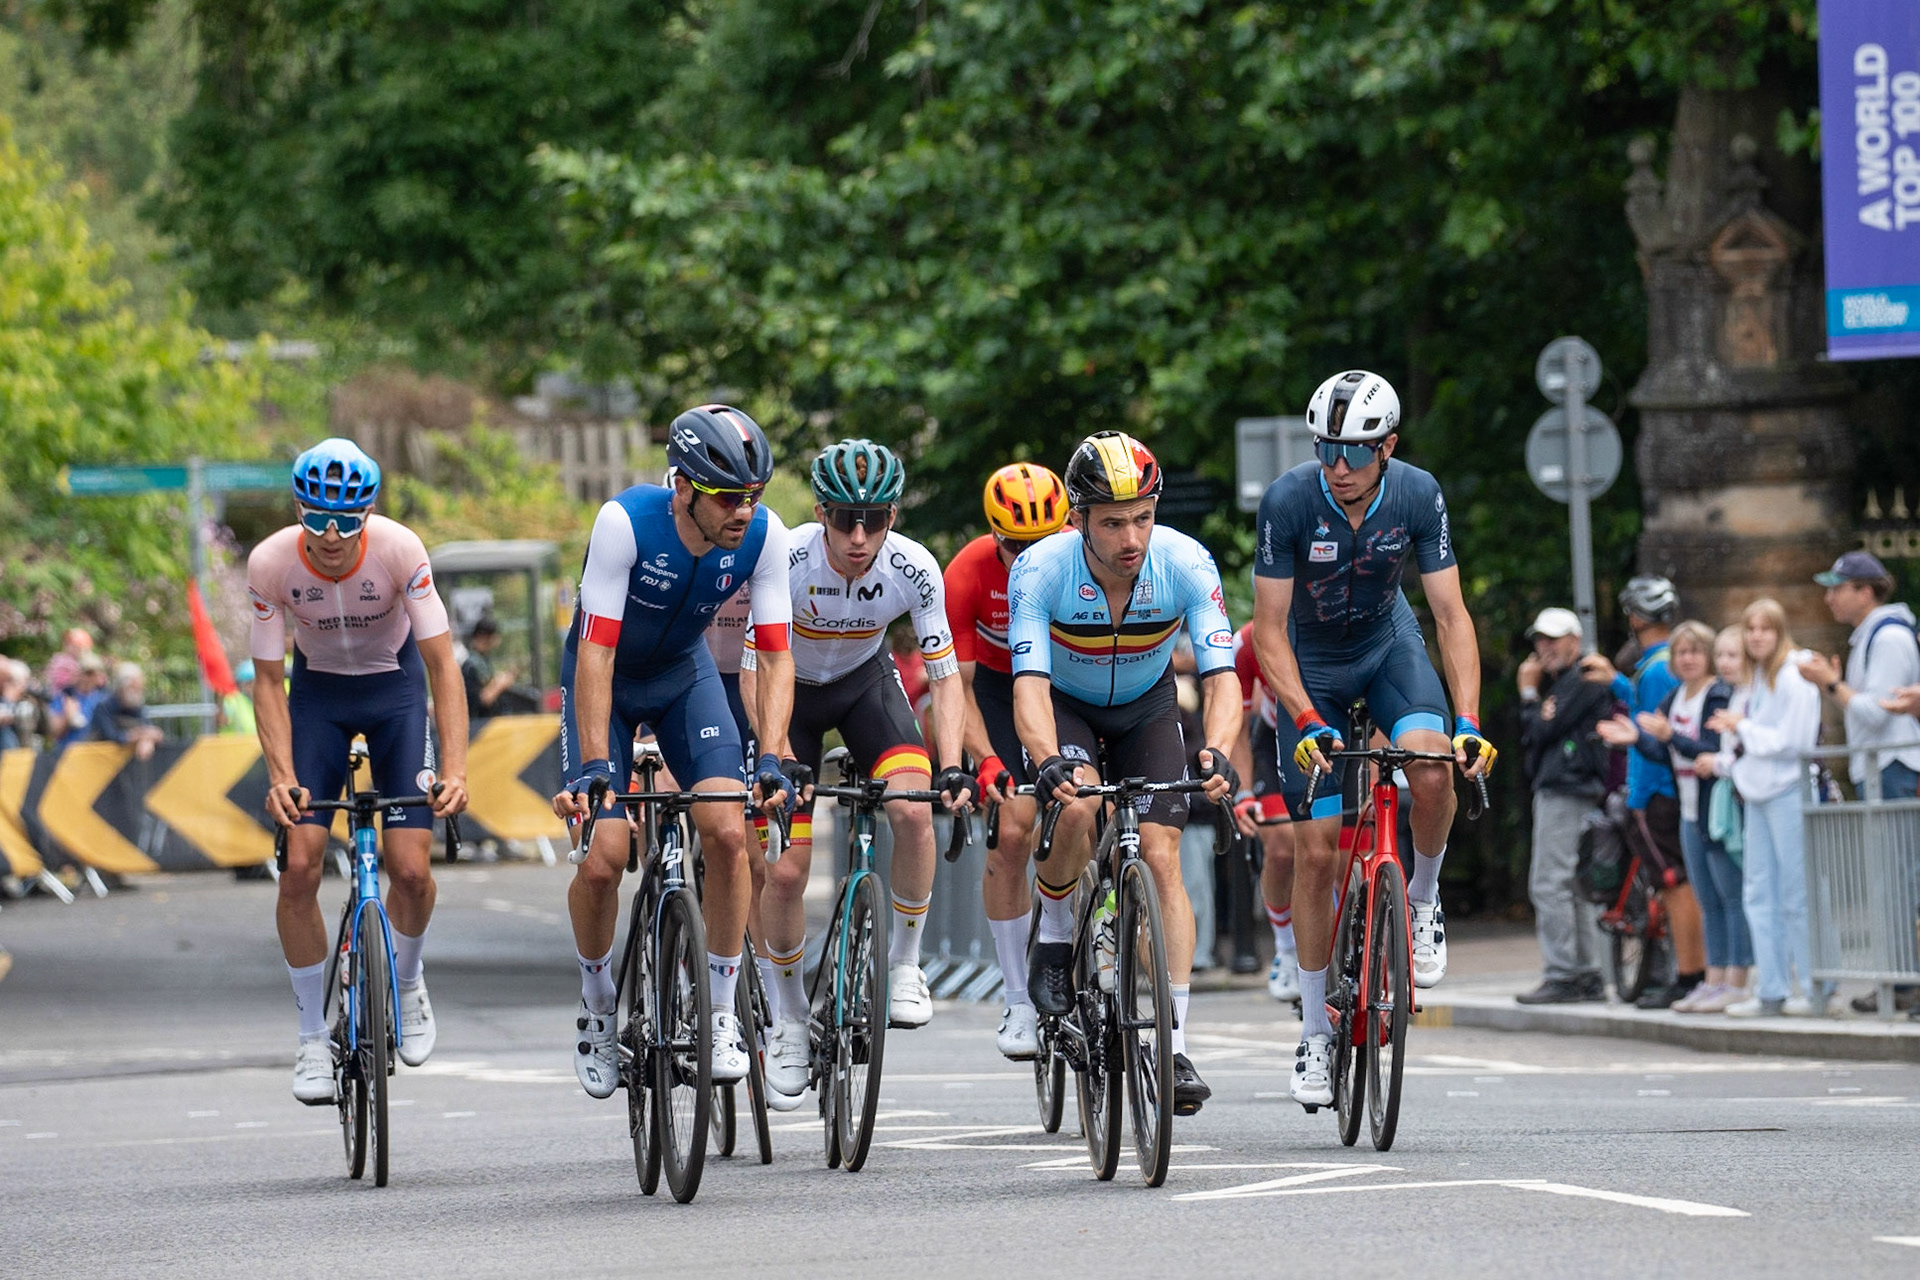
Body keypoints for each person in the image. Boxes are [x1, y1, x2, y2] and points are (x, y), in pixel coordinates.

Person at [1249, 370, 1493, 1109]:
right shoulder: (1289, 499)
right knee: (1317, 850)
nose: (1339, 467)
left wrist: (1470, 721)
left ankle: (1420, 899)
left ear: (1388, 446)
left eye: (1355, 452)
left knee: (1430, 772)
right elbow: (1266, 628)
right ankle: (1316, 1037)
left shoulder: (1418, 493)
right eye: (1327, 449)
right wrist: (1301, 715)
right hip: (1312, 665)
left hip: (1389, 647)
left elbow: (1450, 617)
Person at [553, 404, 797, 1099]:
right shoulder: (626, 523)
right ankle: (598, 1004)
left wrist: (773, 753)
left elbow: (777, 657)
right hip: (607, 681)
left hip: (685, 678)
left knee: (726, 830)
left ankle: (719, 1013)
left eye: (752, 495)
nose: (742, 510)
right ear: (684, 487)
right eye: (727, 496)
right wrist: (600, 767)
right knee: (602, 859)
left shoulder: (762, 536)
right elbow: (596, 651)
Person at [1010, 430, 1241, 1116]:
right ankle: (1054, 936)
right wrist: (1047, 756)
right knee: (1078, 808)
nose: (1132, 535)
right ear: (1076, 518)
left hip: (1147, 707)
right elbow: (1027, 687)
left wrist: (1220, 748)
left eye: (1143, 516)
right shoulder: (1041, 569)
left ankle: (1171, 1043)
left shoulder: (1188, 563)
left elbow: (1223, 676)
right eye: (1112, 522)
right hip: (1068, 706)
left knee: (1164, 858)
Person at [749, 438, 977, 1105]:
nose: (857, 535)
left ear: (893, 517)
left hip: (863, 685)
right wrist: (776, 752)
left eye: (873, 520)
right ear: (819, 512)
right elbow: (751, 668)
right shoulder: (785, 557)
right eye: (844, 518)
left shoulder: (914, 567)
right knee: (786, 868)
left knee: (913, 810)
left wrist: (956, 765)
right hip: (786, 694)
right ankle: (788, 1016)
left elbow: (946, 677)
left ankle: (905, 965)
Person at [247, 438, 471, 1103]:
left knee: (410, 870)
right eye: (317, 518)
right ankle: (313, 1038)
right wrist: (282, 773)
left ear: (369, 515)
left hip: (394, 691)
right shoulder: (271, 563)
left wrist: (454, 767)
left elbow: (442, 667)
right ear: (299, 512)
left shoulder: (402, 549)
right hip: (317, 696)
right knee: (300, 866)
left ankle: (407, 979)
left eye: (348, 520)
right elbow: (266, 681)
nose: (333, 534)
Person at [943, 462, 1071, 1059]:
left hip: (1065, 686)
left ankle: (1069, 922)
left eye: (1043, 544)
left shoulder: (1082, 560)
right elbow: (956, 688)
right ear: (994, 537)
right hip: (993, 691)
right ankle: (1018, 1000)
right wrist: (987, 759)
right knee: (1014, 831)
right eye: (1016, 547)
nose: (1029, 559)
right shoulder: (966, 573)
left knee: (1085, 808)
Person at [1587, 576, 1707, 1008]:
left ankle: (1690, 975)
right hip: (1667, 789)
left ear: (1635, 618)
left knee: (1676, 884)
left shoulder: (1657, 667)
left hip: (1654, 791)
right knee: (1681, 882)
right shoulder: (1660, 664)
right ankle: (1692, 974)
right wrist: (1617, 681)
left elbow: (1649, 727)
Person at [1710, 598, 1822, 1017]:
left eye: (1766, 628)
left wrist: (1744, 728)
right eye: (1750, 628)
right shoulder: (1755, 679)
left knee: (1796, 893)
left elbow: (1793, 740)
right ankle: (1772, 987)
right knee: (1758, 892)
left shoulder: (1793, 675)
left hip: (1788, 790)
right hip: (1757, 791)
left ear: (1779, 632)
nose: (1757, 636)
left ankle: (1814, 987)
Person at [1636, 621, 1753, 1013]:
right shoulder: (1673, 697)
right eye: (1680, 652)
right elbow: (1669, 754)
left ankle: (1738, 978)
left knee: (1730, 894)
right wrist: (1637, 739)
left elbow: (1708, 749)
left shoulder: (1717, 695)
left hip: (1713, 808)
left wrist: (1669, 736)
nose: (1687, 659)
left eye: (1695, 652)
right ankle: (1713, 977)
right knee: (1707, 897)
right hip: (1687, 810)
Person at [1514, 607, 1614, 1004]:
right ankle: (1585, 972)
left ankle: (1563, 974)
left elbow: (1540, 729)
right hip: (1573, 788)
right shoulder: (1566, 682)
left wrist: (1527, 693)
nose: (1544, 648)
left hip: (1566, 790)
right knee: (1573, 884)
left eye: (1553, 639)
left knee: (1550, 882)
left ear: (1575, 640)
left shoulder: (1582, 678)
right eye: (1539, 640)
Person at [1798, 551, 1920, 801]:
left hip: (1889, 767)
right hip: (1879, 768)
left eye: (1837, 589)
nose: (1828, 598)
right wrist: (1833, 686)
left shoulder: (1889, 638)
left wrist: (1831, 683)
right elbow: (1861, 714)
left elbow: (1876, 713)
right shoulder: (1870, 636)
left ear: (1865, 593)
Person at [1227, 623, 1299, 1003]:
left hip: (1336, 733)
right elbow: (1236, 725)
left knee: (1341, 856)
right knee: (1283, 846)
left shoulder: (1334, 618)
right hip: (1274, 741)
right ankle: (1286, 948)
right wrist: (1241, 792)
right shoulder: (1248, 642)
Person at [89, 661, 165, 762]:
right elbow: (111, 736)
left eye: (140, 688)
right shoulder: (103, 707)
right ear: (121, 687)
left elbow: (150, 729)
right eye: (134, 688)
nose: (139, 692)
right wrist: (138, 736)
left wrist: (147, 740)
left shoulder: (136, 706)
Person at [460, 615, 519, 722]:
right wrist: (500, 684)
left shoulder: (483, 661)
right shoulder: (471, 665)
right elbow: (481, 700)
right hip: (478, 724)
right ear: (483, 637)